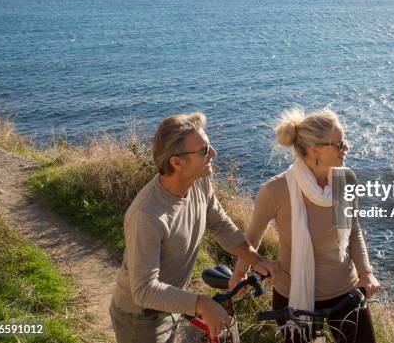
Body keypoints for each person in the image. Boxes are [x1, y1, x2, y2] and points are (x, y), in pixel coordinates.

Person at [110, 113, 280, 343]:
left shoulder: (199, 180)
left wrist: (256, 260)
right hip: (141, 320)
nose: (213, 154)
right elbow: (144, 289)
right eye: (204, 151)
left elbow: (219, 224)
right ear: (176, 162)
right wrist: (200, 303)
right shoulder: (147, 215)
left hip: (170, 305)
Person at [229, 108, 380, 343]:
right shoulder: (276, 190)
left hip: (345, 294)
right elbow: (252, 237)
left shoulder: (346, 179)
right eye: (339, 144)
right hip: (293, 299)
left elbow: (354, 231)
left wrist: (366, 274)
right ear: (315, 150)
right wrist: (240, 274)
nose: (346, 148)